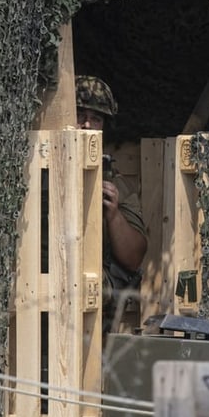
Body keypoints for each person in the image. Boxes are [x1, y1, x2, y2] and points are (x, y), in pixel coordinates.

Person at [75, 75, 148, 335]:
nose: (86, 125)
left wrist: (113, 214)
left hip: (96, 315)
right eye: (80, 114)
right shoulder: (37, 173)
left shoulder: (115, 183)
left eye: (95, 119)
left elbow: (134, 256)